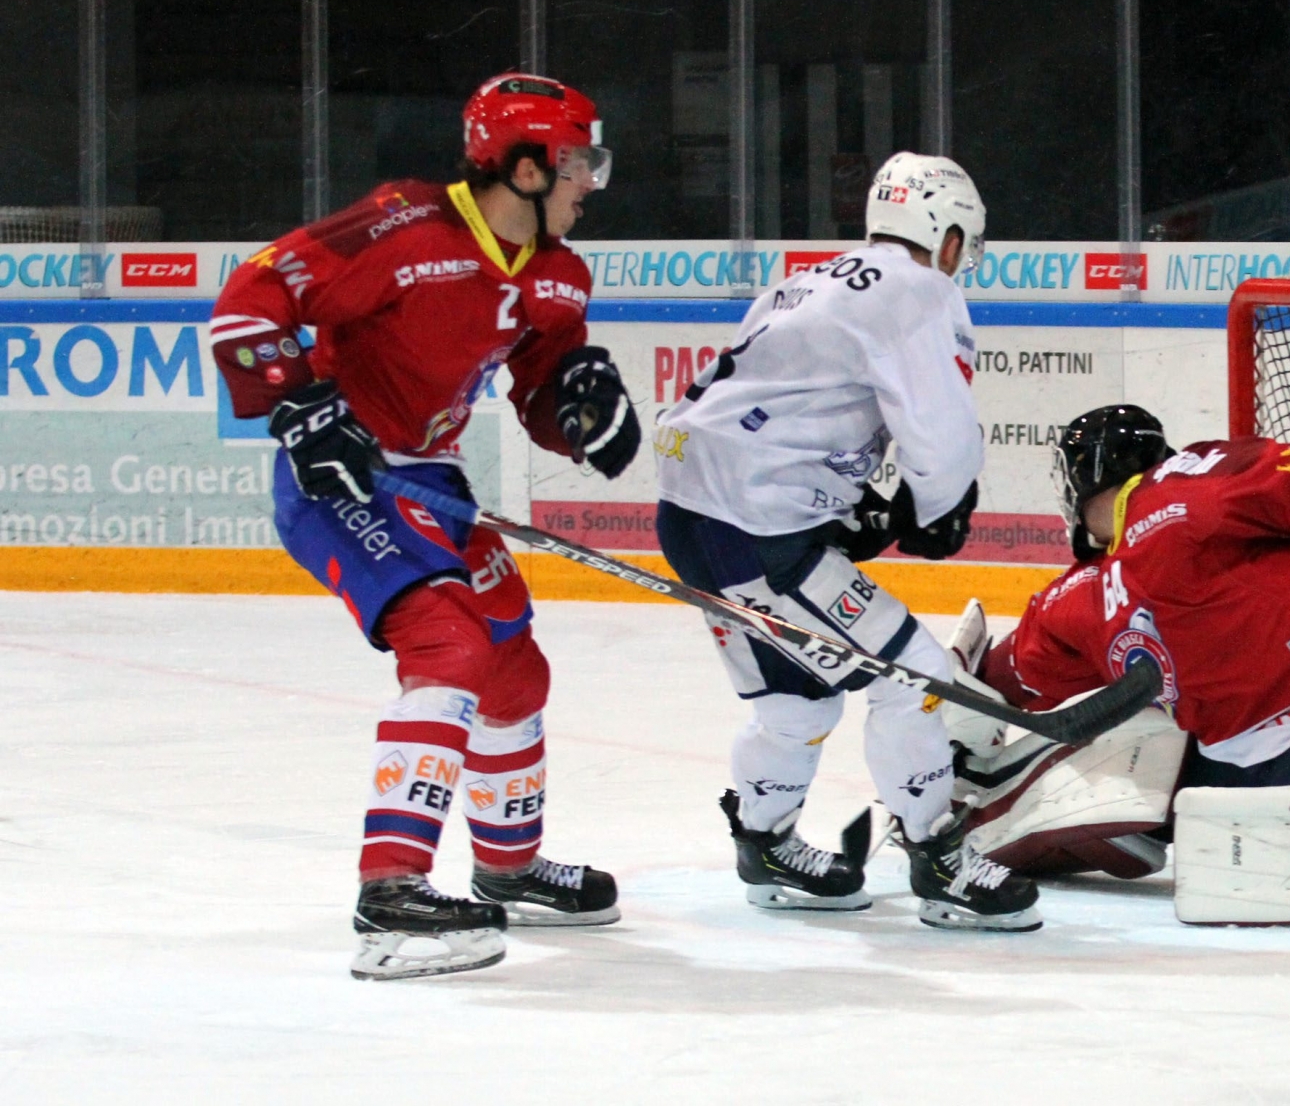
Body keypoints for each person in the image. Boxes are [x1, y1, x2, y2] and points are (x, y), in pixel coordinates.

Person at [209, 73, 642, 980]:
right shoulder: (404, 226)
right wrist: (298, 405)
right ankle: (392, 892)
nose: (589, 182)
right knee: (448, 645)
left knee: (515, 666)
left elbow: (541, 387)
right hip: (341, 479)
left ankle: (508, 866)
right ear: (523, 167)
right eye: (575, 163)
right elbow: (251, 298)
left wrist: (583, 416)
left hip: (430, 485)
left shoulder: (559, 274)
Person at [653, 151, 1040, 932]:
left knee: (796, 698)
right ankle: (940, 859)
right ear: (949, 233)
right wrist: (938, 506)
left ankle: (765, 846)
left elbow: (768, 404)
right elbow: (937, 430)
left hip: (692, 512)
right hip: (759, 528)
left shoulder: (808, 278)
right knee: (917, 675)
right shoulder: (922, 288)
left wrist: (847, 502)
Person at [971, 404, 1290, 797]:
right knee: (1073, 782)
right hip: (1225, 759)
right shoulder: (1086, 591)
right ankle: (977, 838)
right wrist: (958, 707)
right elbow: (1009, 674)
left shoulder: (1179, 488)